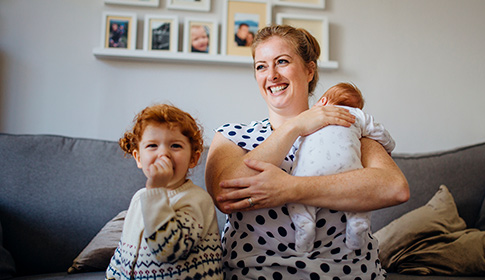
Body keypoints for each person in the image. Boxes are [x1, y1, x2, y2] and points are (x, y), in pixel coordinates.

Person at [206, 24, 409, 279]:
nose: (272, 75)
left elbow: (394, 188)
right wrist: (296, 125)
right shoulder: (232, 136)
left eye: (282, 62)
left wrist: (290, 188)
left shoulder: (344, 124)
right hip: (257, 273)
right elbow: (225, 194)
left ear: (309, 70)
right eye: (261, 66)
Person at [106, 104, 222, 280]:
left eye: (175, 146)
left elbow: (168, 250)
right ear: (138, 158)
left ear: (193, 158)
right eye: (152, 145)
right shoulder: (139, 199)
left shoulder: (197, 200)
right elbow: (124, 251)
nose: (163, 154)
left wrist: (156, 190)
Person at [289, 82, 395, 253]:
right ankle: (357, 223)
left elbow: (293, 142)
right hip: (347, 169)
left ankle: (305, 227)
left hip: (308, 171)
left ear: (322, 101)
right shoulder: (357, 115)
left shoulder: (309, 117)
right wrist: (388, 147)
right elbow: (380, 132)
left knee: (296, 199)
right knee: (359, 193)